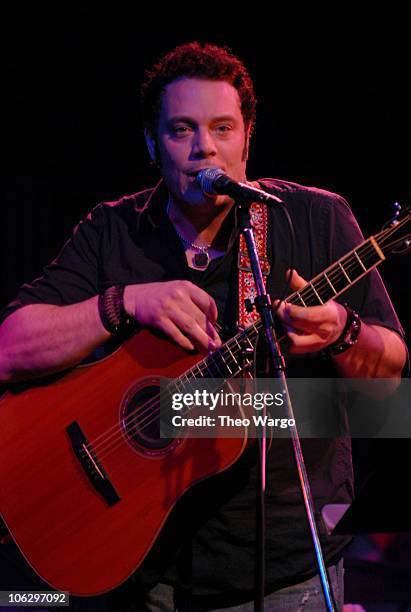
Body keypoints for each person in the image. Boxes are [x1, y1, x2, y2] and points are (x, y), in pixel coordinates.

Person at [0, 42, 407, 611]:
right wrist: (123, 302)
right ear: (151, 143)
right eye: (181, 130)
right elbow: (10, 348)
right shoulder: (113, 231)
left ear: (247, 137)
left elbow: (391, 386)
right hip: (137, 565)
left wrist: (342, 332)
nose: (204, 148)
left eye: (222, 128)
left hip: (285, 573)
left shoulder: (316, 217)